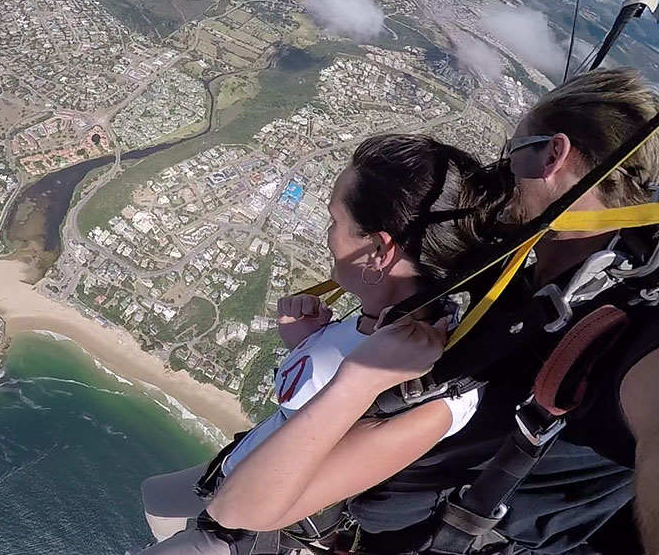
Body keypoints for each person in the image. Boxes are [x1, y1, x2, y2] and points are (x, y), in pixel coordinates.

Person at [224, 68, 659, 555]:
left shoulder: (633, 323)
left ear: (552, 155)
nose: (503, 174)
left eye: (514, 152)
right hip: (351, 512)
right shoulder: (517, 266)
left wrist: (357, 381)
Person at [137, 134, 510, 554]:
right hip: (238, 465)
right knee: (154, 496)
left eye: (335, 221)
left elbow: (236, 511)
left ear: (378, 250)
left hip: (249, 532)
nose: (328, 235)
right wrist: (305, 344)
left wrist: (358, 382)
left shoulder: (432, 397)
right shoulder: (384, 321)